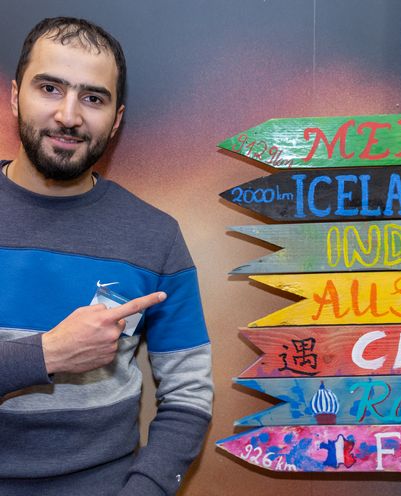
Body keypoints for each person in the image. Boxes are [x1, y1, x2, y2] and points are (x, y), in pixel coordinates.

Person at [0, 16, 212, 496]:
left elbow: (189, 396)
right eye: (50, 88)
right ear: (15, 96)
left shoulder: (156, 237)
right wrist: (47, 354)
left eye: (93, 98)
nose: (69, 115)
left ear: (116, 119)